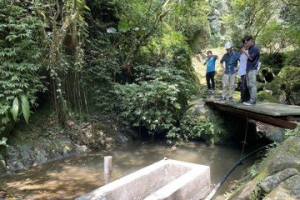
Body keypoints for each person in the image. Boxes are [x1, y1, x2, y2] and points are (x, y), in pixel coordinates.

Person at [242, 36, 260, 106]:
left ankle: (253, 100)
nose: (246, 44)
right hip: (248, 68)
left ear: (250, 41)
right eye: (245, 43)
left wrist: (244, 52)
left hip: (253, 68)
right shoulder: (250, 48)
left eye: (246, 42)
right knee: (249, 85)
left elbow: (251, 57)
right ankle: (251, 100)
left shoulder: (255, 48)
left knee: (252, 84)